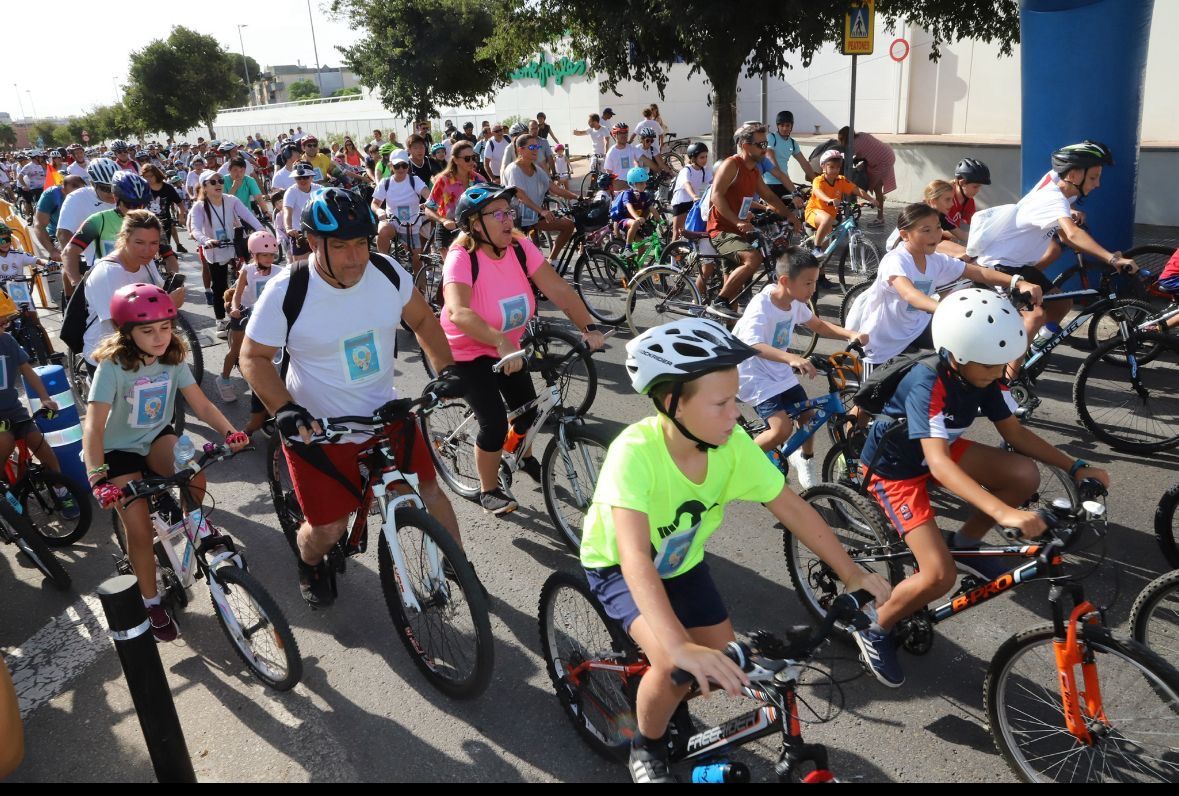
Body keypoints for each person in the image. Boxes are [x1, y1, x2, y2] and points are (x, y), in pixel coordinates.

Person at [581, 318, 891, 783]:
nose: (735, 414)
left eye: (736, 399)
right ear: (671, 403)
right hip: (618, 567)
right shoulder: (635, 453)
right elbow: (634, 557)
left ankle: (666, 698)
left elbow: (792, 507)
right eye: (721, 403)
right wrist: (677, 647)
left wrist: (851, 573)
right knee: (672, 665)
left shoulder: (731, 445)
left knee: (721, 658)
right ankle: (645, 749)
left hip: (682, 563)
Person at [853, 289, 1108, 687]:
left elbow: (1015, 433)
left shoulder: (982, 369)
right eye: (989, 365)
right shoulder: (928, 380)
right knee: (939, 577)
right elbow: (936, 462)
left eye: (1000, 363)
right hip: (896, 470)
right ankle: (874, 626)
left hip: (939, 448)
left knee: (1024, 475)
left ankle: (965, 542)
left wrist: (1076, 466)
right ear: (955, 356)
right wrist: (1003, 513)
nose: (998, 371)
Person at [240, 188, 467, 607]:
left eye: (361, 243)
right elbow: (252, 356)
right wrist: (284, 409)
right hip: (318, 429)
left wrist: (447, 371)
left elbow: (422, 320)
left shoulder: (387, 271)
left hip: (385, 415)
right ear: (313, 243)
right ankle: (308, 563)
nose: (355, 257)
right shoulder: (287, 289)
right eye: (341, 246)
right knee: (328, 530)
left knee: (429, 491)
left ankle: (459, 568)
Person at [84, 282, 248, 642]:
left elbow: (202, 404)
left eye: (165, 327)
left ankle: (194, 524)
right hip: (118, 452)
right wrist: (98, 479)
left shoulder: (172, 358)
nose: (160, 337)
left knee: (193, 473)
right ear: (126, 333)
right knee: (139, 532)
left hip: (155, 439)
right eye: (148, 330)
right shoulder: (112, 367)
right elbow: (94, 427)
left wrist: (230, 432)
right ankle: (152, 601)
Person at [440, 185, 606, 514]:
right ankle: (489, 489)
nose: (507, 219)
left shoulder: (519, 247)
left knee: (529, 414)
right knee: (495, 423)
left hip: (508, 346)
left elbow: (557, 287)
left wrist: (588, 327)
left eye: (509, 212)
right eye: (498, 214)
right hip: (468, 351)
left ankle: (521, 455)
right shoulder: (462, 258)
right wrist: (498, 340)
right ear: (475, 224)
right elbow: (458, 311)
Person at [971, 141, 1138, 376]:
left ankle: (1033, 349)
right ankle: (1007, 382)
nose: (1098, 184)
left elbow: (1066, 236)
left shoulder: (1061, 188)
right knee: (1035, 316)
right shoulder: (1053, 197)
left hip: (1019, 264)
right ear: (1073, 174)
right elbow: (1071, 234)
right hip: (999, 264)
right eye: (1093, 177)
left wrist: (1072, 217)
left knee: (1061, 303)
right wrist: (1111, 259)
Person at [848, 204, 1042, 382]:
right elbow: (911, 295)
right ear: (905, 235)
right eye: (926, 230)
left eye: (938, 228)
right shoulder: (896, 260)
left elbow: (978, 271)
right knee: (868, 407)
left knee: (962, 347)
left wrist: (1018, 282)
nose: (936, 235)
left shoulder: (935, 260)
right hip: (883, 342)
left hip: (916, 331)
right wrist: (946, 310)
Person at [733, 247, 869, 489]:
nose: (813, 289)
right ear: (785, 281)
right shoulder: (762, 304)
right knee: (781, 429)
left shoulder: (794, 302)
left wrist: (850, 334)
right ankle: (737, 462)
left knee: (807, 417)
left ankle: (804, 460)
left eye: (814, 282)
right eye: (808, 283)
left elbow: (818, 325)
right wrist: (792, 359)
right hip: (755, 374)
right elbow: (753, 344)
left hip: (778, 370)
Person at [704, 123, 796, 320]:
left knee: (733, 292)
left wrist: (790, 216)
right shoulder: (732, 164)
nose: (765, 148)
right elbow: (716, 196)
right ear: (745, 146)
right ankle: (717, 302)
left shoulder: (754, 171)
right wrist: (737, 221)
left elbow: (769, 196)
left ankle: (726, 333)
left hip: (739, 231)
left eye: (766, 143)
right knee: (754, 258)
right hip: (721, 229)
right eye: (760, 144)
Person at [66, 171, 181, 288]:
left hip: (145, 287)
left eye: (141, 204)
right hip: (107, 285)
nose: (136, 209)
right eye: (130, 204)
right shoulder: (98, 220)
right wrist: (76, 284)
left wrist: (173, 278)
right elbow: (69, 252)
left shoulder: (150, 220)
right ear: (116, 197)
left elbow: (168, 255)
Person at [189, 169, 265, 333]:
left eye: (221, 181)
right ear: (205, 186)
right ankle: (220, 320)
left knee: (245, 280)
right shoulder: (200, 206)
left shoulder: (231, 200)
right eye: (213, 182)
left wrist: (261, 230)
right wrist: (206, 240)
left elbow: (248, 216)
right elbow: (195, 228)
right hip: (215, 249)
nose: (219, 184)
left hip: (234, 245)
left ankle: (245, 311)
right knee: (219, 285)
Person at [220, 230, 284, 407]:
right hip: (245, 314)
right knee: (236, 350)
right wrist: (234, 309)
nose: (269, 259)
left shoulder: (280, 271)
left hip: (269, 317)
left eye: (272, 255)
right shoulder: (247, 271)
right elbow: (237, 294)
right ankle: (224, 380)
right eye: (264, 255)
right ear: (254, 255)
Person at [502, 134, 579, 261]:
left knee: (568, 225)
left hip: (534, 216)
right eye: (531, 146)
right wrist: (541, 211)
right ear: (520, 150)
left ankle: (552, 260)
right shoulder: (513, 170)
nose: (536, 149)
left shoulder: (537, 169)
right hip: (517, 220)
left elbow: (555, 189)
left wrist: (578, 197)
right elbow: (520, 196)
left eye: (537, 146)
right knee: (525, 258)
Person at [805, 149, 880, 257]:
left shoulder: (841, 180)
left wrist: (871, 199)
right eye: (831, 167)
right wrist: (829, 200)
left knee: (823, 255)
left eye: (838, 167)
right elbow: (817, 192)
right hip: (814, 212)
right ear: (823, 167)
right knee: (826, 223)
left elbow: (857, 190)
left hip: (829, 219)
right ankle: (816, 248)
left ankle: (820, 273)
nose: (835, 170)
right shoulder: (819, 180)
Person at [372, 151, 431, 270]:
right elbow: (374, 204)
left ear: (408, 166)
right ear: (391, 166)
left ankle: (420, 288)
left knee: (417, 262)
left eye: (404, 165)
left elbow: (428, 195)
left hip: (412, 224)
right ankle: (385, 265)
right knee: (383, 229)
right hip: (393, 222)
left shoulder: (414, 180)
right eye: (397, 166)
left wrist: (428, 202)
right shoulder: (385, 183)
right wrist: (379, 211)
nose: (401, 169)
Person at [424, 140, 485, 251]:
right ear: (456, 160)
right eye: (467, 159)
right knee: (451, 267)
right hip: (448, 231)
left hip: (473, 230)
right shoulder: (444, 180)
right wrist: (444, 221)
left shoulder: (479, 180)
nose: (472, 161)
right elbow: (428, 209)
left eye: (474, 157)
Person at [837, 127, 895, 226]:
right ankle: (880, 202)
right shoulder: (862, 135)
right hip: (888, 154)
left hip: (882, 161)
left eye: (841, 139)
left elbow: (846, 162)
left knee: (877, 188)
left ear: (846, 138)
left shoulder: (854, 146)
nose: (840, 141)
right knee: (878, 187)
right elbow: (868, 151)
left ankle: (880, 218)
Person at [764, 111, 816, 206]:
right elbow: (770, 157)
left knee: (796, 208)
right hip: (770, 182)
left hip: (784, 183)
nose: (784, 128)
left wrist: (816, 180)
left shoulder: (792, 143)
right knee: (774, 213)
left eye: (787, 125)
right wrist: (782, 177)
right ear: (777, 126)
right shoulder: (771, 138)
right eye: (782, 125)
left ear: (791, 126)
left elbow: (804, 163)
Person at [140, 165, 188, 255]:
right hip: (146, 224)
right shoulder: (142, 188)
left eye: (150, 176)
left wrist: (181, 216)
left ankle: (168, 268)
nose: (148, 179)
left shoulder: (168, 188)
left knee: (164, 251)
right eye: (145, 177)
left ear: (156, 174)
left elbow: (180, 204)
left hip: (164, 224)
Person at [33, 175, 84, 260]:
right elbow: (39, 225)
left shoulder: (87, 195)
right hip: (58, 236)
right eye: (73, 194)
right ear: (63, 190)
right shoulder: (51, 195)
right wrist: (52, 250)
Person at [610, 167, 655, 253]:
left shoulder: (643, 195)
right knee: (634, 223)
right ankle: (628, 248)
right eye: (641, 183)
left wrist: (661, 221)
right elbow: (629, 207)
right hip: (623, 221)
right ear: (633, 184)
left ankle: (636, 266)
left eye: (645, 182)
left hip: (635, 224)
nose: (645, 185)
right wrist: (637, 217)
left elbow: (652, 209)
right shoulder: (627, 194)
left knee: (642, 248)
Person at [604, 123, 657, 190]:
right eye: (621, 133)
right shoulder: (611, 153)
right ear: (615, 135)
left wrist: (659, 171)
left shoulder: (631, 148)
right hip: (619, 190)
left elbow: (646, 160)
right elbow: (608, 174)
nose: (624, 135)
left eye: (626, 133)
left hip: (633, 187)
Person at [946, 158, 990, 235]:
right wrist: (965, 236)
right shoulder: (944, 197)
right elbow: (937, 230)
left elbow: (973, 225)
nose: (978, 190)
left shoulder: (969, 201)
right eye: (975, 187)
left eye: (980, 187)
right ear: (962, 182)